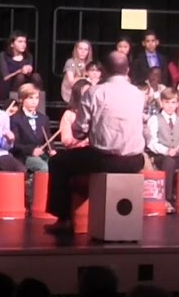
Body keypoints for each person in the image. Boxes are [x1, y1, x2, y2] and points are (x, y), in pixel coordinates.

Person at [45, 51, 145, 235]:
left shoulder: (95, 92)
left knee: (58, 161)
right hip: (135, 160)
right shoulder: (138, 94)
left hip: (105, 159)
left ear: (104, 71)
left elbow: (79, 131)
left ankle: (64, 219)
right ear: (127, 70)